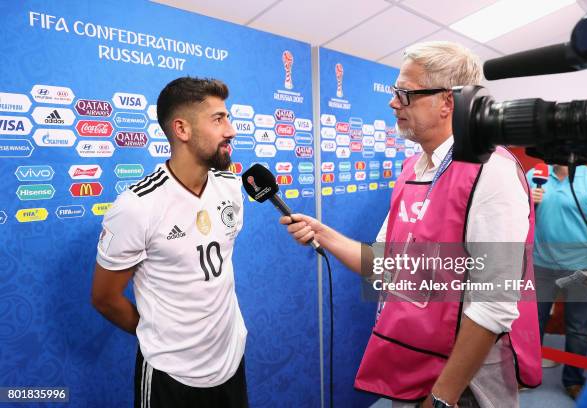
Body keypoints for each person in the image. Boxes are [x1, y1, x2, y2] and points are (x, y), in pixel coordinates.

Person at [282, 41, 541, 408]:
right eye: (394, 93)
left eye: (404, 94)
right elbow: (384, 264)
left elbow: (493, 304)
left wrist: (442, 396)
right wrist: (324, 234)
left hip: (463, 385)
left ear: (447, 102)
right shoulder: (413, 169)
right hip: (412, 367)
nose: (393, 103)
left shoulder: (491, 172)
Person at [91, 77, 248, 408]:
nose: (231, 130)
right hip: (170, 376)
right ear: (182, 129)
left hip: (231, 363)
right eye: (218, 119)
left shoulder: (231, 186)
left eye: (227, 117)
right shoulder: (138, 206)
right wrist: (159, 335)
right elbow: (105, 299)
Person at [527, 163, 587, 399]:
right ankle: (526, 375)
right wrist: (528, 203)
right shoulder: (534, 175)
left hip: (582, 267)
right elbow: (515, 217)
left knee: (578, 329)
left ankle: (574, 381)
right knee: (532, 324)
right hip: (540, 264)